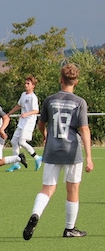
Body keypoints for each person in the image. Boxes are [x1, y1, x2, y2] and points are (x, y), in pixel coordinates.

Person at [22, 63, 94, 240]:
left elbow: (41, 124)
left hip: (52, 150)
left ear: (60, 80)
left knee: (47, 188)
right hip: (72, 151)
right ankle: (69, 228)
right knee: (73, 189)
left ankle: (36, 214)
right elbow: (84, 129)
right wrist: (89, 157)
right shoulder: (80, 102)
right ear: (76, 82)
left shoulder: (49, 100)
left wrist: (45, 136)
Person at [5, 75, 43, 172]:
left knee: (22, 142)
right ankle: (16, 164)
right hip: (22, 122)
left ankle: (37, 158)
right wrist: (9, 113)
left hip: (29, 122)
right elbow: (19, 105)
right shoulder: (23, 94)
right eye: (25, 83)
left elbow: (36, 110)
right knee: (14, 141)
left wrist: (26, 114)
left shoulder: (33, 97)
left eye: (28, 83)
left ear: (33, 86)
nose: (26, 85)